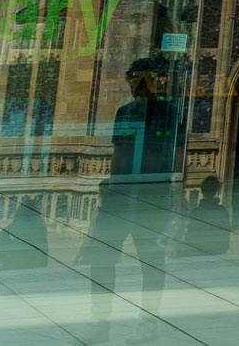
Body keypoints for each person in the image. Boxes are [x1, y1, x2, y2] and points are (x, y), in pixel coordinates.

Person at [93, 56, 179, 321]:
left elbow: (179, 153)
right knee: (103, 260)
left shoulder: (170, 113)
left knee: (151, 261)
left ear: (158, 82)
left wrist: (176, 197)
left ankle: (148, 320)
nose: (139, 86)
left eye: (146, 80)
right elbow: (118, 152)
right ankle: (100, 320)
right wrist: (109, 189)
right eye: (134, 80)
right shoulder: (125, 112)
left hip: (151, 197)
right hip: (120, 196)